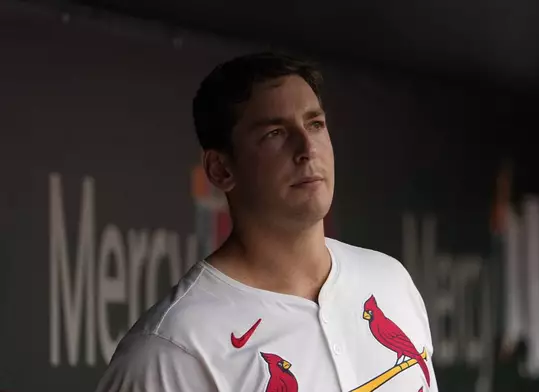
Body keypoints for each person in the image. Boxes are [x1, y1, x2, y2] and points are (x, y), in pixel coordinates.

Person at [95, 52, 439, 392]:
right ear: (220, 169)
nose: (307, 148)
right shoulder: (174, 350)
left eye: (315, 124)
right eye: (275, 133)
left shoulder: (390, 281)